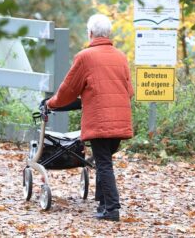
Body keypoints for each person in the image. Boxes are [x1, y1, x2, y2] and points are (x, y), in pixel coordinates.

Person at [46, 14, 134, 222]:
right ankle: (103, 203)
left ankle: (111, 209)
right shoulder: (121, 56)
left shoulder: (85, 57)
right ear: (108, 33)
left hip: (101, 120)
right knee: (104, 160)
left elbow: (68, 90)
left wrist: (51, 103)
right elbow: (129, 91)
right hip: (120, 119)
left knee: (103, 163)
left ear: (90, 33)